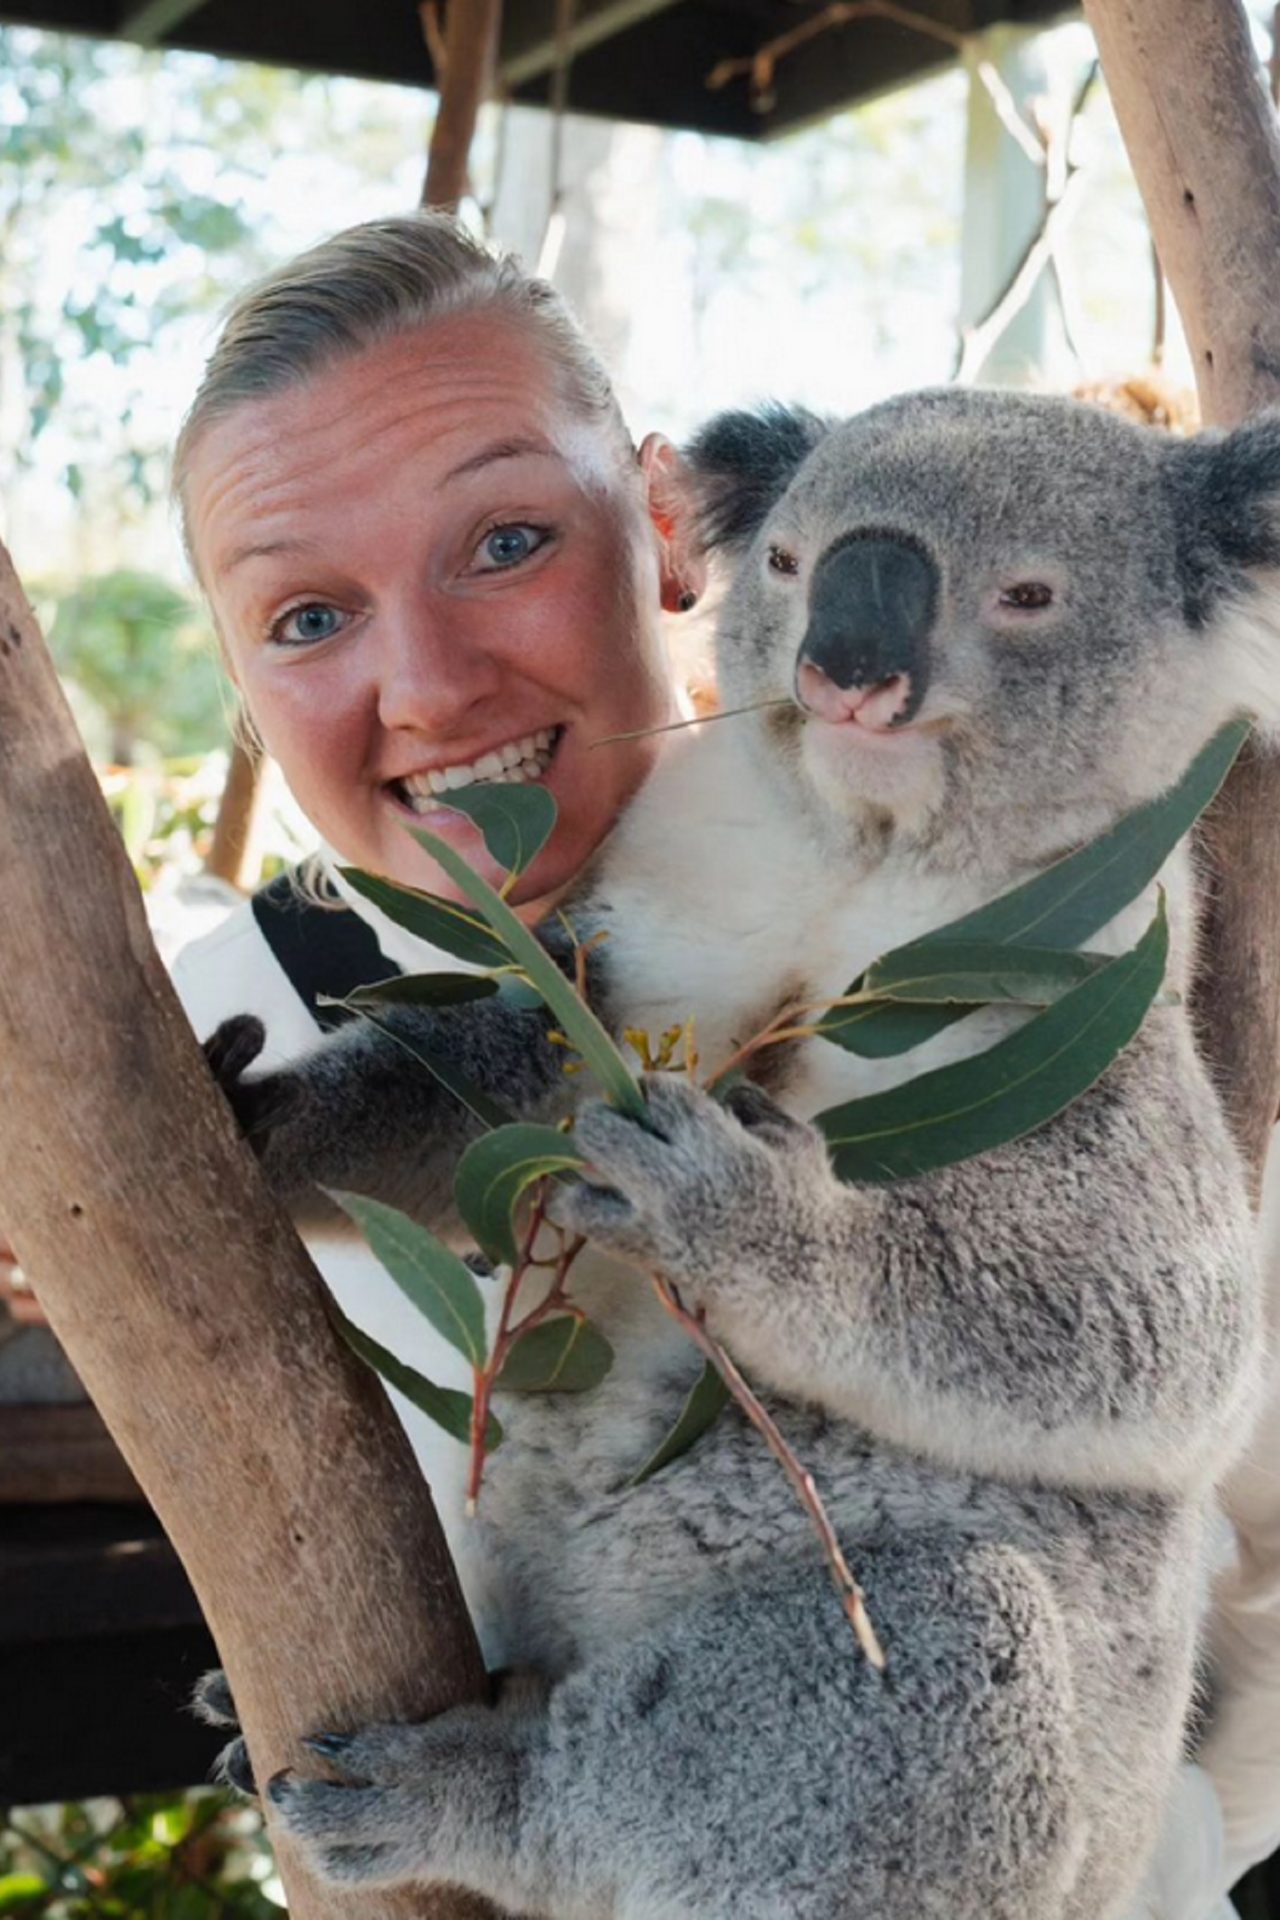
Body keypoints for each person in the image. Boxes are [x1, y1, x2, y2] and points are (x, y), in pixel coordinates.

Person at [170, 211, 1268, 1920]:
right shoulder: (231, 1004)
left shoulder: (1088, 923)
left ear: (668, 533)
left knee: (964, 1667)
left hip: (915, 1725)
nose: (429, 685)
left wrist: (786, 1252)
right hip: (600, 1698)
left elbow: (1160, 1377)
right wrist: (282, 1134)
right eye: (307, 614)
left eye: (507, 538)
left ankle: (551, 1798)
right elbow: (525, 1066)